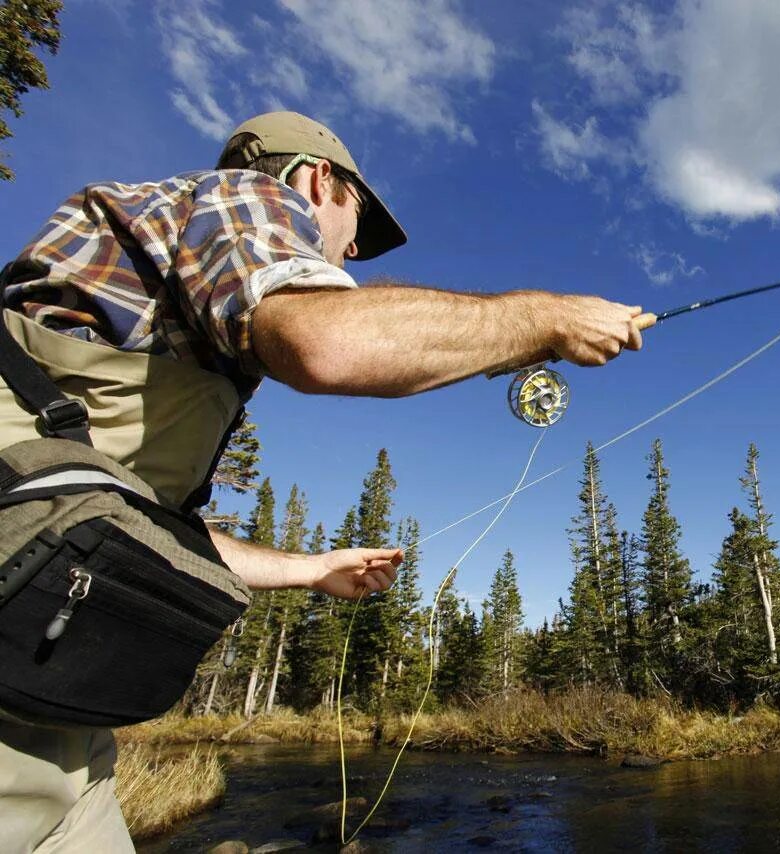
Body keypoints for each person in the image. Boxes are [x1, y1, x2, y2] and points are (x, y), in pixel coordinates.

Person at [0, 111, 645, 851]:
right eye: (356, 225)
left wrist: (313, 569)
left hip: (47, 701)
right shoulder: (245, 195)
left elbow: (127, 520)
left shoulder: (177, 320)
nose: (350, 253)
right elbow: (325, 342)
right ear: (317, 179)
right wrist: (548, 318)